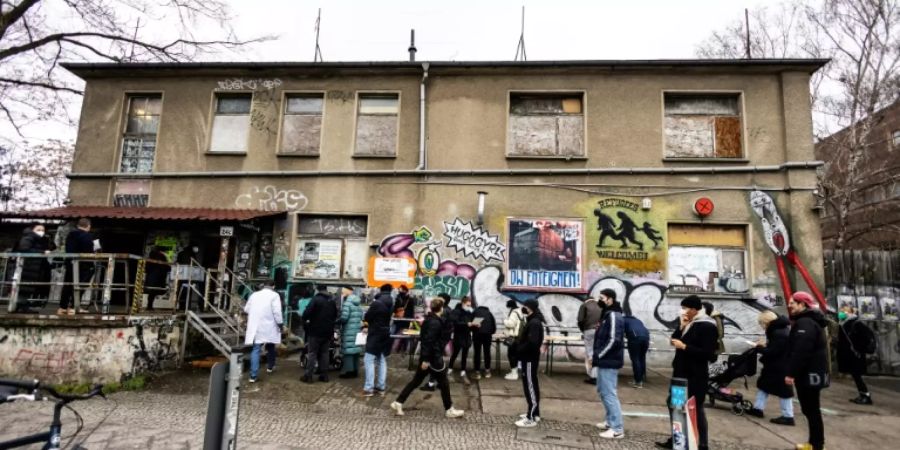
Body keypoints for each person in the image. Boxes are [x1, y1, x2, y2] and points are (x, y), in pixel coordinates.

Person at [656, 295, 717, 450]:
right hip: (680, 374)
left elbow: (709, 354)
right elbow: (674, 340)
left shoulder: (707, 326)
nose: (682, 311)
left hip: (695, 375)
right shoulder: (688, 323)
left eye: (685, 308)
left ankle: (702, 443)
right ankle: (678, 439)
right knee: (676, 405)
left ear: (694, 309)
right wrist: (681, 327)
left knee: (696, 407)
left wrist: (685, 347)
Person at [390, 297, 465, 419]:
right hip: (432, 359)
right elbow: (428, 342)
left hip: (429, 358)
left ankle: (398, 402)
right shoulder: (434, 322)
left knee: (416, 382)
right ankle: (449, 409)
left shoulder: (431, 320)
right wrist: (426, 360)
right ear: (441, 308)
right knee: (444, 383)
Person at [785, 292, 830, 450]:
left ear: (802, 304)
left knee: (811, 410)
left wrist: (791, 373)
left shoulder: (805, 323)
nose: (789, 305)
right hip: (813, 374)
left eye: (793, 303)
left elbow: (801, 351)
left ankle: (816, 445)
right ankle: (815, 443)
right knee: (811, 410)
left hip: (809, 374)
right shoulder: (811, 321)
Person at [747, 310, 795, 426]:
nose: (762, 326)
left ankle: (788, 416)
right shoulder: (781, 330)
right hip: (778, 365)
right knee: (765, 386)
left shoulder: (777, 332)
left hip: (778, 366)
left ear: (766, 322)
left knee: (783, 391)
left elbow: (773, 352)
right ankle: (758, 408)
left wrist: (759, 348)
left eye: (762, 324)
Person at [592, 288, 625, 440]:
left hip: (608, 360)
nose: (600, 300)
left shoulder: (613, 315)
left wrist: (600, 354)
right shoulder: (608, 314)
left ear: (610, 299)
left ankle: (617, 428)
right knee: (603, 391)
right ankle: (610, 421)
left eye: (602, 297)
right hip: (605, 360)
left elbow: (614, 339)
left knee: (609, 393)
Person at [243, 280, 283, 383]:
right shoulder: (275, 295)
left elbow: (246, 309)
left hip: (256, 326)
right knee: (270, 346)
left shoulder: (254, 295)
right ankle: (270, 366)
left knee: (256, 349)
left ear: (264, 286)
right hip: (269, 326)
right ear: (273, 286)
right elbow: (277, 312)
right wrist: (280, 324)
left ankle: (253, 376)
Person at [514, 299, 545, 428]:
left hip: (529, 359)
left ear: (530, 308)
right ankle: (535, 413)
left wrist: (518, 349)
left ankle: (531, 417)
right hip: (528, 358)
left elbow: (532, 343)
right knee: (531, 385)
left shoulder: (534, 323)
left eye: (524, 306)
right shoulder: (533, 321)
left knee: (530, 386)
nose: (523, 308)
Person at [837, 306, 875, 405]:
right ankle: (863, 395)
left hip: (856, 355)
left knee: (857, 376)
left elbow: (867, 337)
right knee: (856, 376)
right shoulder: (845, 324)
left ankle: (866, 396)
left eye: (843, 311)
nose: (841, 313)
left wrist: (859, 348)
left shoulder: (856, 324)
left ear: (849, 313)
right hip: (851, 355)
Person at [301, 285, 338, 383]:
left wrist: (305, 320)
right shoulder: (332, 300)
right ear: (326, 289)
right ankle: (324, 376)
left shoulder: (316, 299)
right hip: (328, 332)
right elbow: (335, 315)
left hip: (315, 331)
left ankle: (308, 376)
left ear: (317, 289)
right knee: (325, 353)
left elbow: (306, 313)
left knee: (312, 353)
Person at [362, 284, 393, 396]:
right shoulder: (391, 301)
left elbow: (367, 317)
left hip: (375, 333)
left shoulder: (377, 303)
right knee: (381, 359)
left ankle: (368, 388)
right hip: (385, 333)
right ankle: (381, 386)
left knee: (368, 359)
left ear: (381, 290)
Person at [59, 218, 95, 316]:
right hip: (84, 264)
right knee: (80, 285)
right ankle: (74, 307)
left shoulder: (70, 235)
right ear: (88, 226)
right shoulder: (87, 236)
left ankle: (62, 307)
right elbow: (89, 251)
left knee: (68, 285)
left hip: (70, 263)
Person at [14, 224, 55, 307]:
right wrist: (41, 252)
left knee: (30, 288)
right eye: (38, 229)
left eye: (43, 230)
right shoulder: (28, 237)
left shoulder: (41, 239)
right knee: (25, 287)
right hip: (29, 265)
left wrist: (48, 239)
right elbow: (24, 249)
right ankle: (20, 305)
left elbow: (52, 247)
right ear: (33, 230)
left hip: (36, 266)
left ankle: (25, 305)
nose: (41, 232)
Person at [577, 292, 604, 384]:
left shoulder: (584, 305)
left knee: (590, 353)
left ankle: (592, 376)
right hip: (599, 331)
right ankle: (597, 374)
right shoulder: (600, 306)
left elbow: (580, 320)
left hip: (588, 330)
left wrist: (583, 330)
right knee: (597, 352)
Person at [448, 296, 475, 384]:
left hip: (467, 336)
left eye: (470, 304)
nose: (469, 306)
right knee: (455, 354)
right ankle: (449, 371)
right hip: (459, 336)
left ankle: (463, 373)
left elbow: (470, 323)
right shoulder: (456, 311)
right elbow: (454, 323)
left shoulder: (469, 312)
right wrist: (466, 324)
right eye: (467, 304)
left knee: (465, 356)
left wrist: (474, 325)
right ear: (463, 303)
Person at [338, 287, 364, 379]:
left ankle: (348, 371)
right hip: (357, 330)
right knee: (355, 351)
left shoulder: (347, 303)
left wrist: (338, 321)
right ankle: (355, 371)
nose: (342, 292)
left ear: (347, 291)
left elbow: (344, 318)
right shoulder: (358, 303)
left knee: (348, 351)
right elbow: (361, 316)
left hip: (348, 330)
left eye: (343, 290)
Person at [623, 312, 650, 388]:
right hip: (646, 338)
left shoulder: (623, 320)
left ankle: (638, 382)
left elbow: (621, 332)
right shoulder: (638, 320)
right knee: (642, 358)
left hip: (635, 338)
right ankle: (641, 378)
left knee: (635, 359)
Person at [471, 300, 497, 380]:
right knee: (487, 353)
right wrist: (490, 333)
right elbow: (494, 326)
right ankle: (487, 371)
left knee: (477, 353)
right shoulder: (489, 313)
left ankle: (477, 372)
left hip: (477, 335)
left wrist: (474, 331)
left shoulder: (475, 312)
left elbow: (471, 325)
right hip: (487, 336)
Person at [503, 299, 525, 380]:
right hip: (519, 337)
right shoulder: (520, 311)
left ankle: (514, 374)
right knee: (515, 355)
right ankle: (514, 372)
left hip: (513, 338)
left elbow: (511, 324)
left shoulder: (514, 312)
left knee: (511, 355)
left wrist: (504, 321)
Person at [145, 246, 170, 311]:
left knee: (152, 292)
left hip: (151, 277)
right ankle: (149, 306)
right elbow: (167, 267)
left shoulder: (151, 257)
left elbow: (146, 268)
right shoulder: (162, 257)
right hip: (158, 277)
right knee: (154, 292)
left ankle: (149, 306)